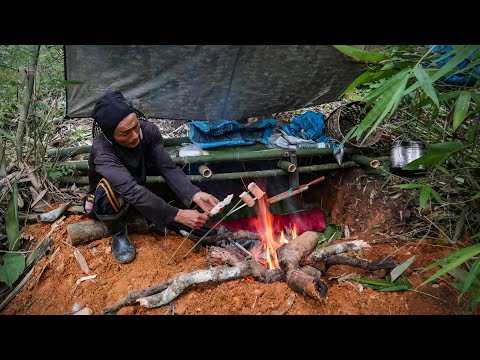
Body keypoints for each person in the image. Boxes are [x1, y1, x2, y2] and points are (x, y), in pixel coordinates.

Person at [83, 91, 221, 264]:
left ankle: (211, 234)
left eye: (135, 126)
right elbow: (130, 190)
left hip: (140, 190)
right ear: (111, 134)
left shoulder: (148, 132)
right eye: (125, 133)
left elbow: (167, 168)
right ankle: (118, 232)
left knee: (173, 191)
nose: (134, 136)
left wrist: (194, 193)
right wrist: (177, 215)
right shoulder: (103, 151)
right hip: (110, 200)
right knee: (109, 189)